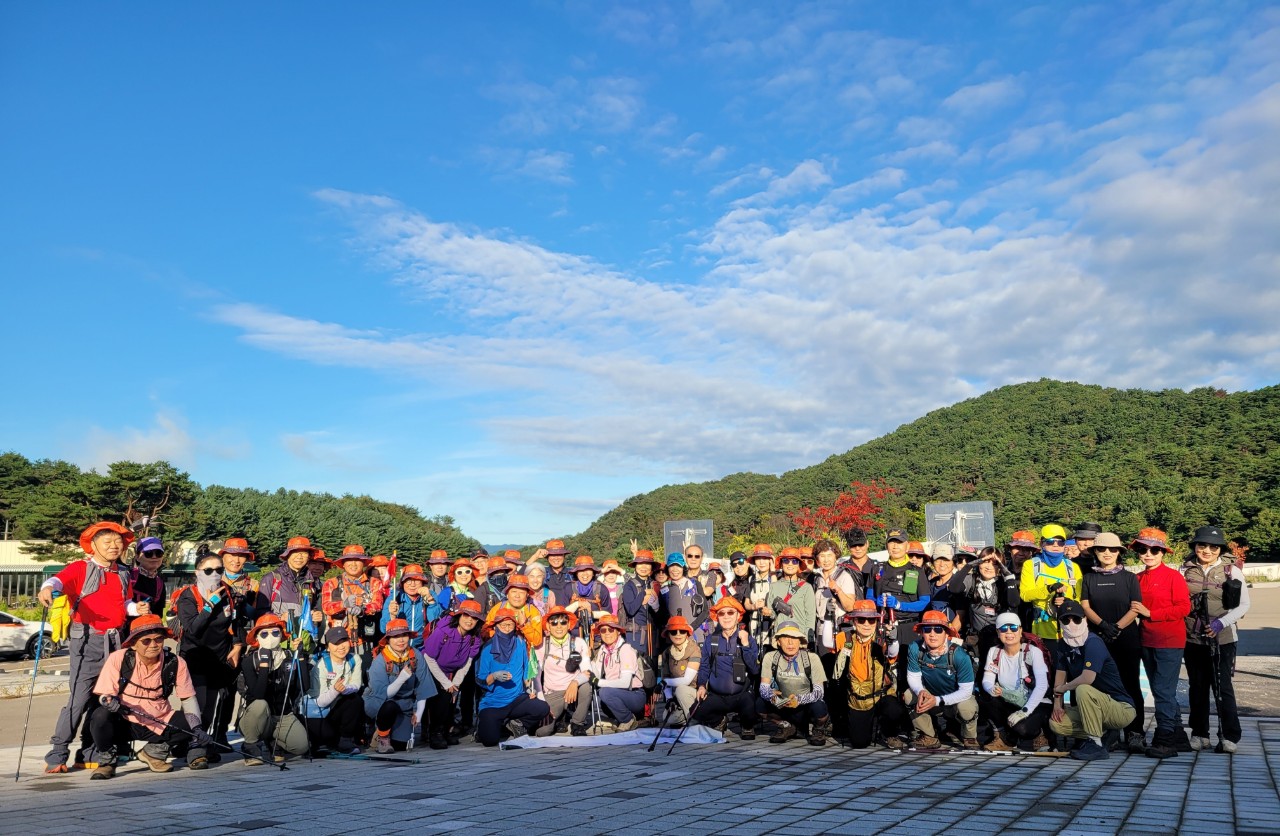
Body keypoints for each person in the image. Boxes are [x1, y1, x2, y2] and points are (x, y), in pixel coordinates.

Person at [39, 521, 144, 772]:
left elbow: (124, 602)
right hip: (87, 641)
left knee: (103, 700)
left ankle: (89, 752)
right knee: (78, 699)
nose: (114, 546)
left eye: (118, 542)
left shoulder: (123, 573)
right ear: (93, 545)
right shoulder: (80, 568)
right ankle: (57, 754)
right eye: (107, 542)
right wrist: (47, 588)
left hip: (115, 641)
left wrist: (135, 608)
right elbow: (56, 581)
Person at [87, 614, 204, 779]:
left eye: (159, 639)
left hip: (160, 719)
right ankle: (107, 762)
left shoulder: (176, 662)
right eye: (146, 641)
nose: (154, 645)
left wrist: (197, 730)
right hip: (125, 721)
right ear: (134, 644)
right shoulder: (118, 658)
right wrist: (109, 702)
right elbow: (104, 696)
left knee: (193, 721)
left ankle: (153, 753)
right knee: (100, 716)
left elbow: (188, 698)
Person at [1182, 525, 1250, 754]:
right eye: (1202, 545)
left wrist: (1221, 623)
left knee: (1222, 687)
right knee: (1197, 686)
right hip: (1192, 637)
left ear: (1220, 549)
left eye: (1213, 547)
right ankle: (1199, 734)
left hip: (1223, 638)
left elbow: (1244, 605)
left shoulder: (1231, 570)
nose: (1207, 550)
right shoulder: (1184, 569)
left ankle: (1229, 736)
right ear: (1195, 546)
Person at [175, 550, 243, 766]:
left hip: (219, 658)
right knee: (197, 704)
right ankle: (193, 748)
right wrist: (210, 604)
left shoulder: (228, 593)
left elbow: (236, 622)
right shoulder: (187, 596)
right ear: (197, 572)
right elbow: (193, 628)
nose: (214, 574)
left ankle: (200, 743)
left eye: (219, 570)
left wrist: (238, 646)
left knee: (210, 707)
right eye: (208, 570)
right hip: (195, 657)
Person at [1079, 532, 1145, 752]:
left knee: (1130, 684)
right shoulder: (1089, 578)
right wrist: (1103, 626)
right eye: (1102, 549)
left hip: (1126, 638)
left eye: (1112, 549)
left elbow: (1135, 607)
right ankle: (1110, 732)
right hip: (1098, 639)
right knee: (1101, 686)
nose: (1107, 553)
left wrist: (1116, 627)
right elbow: (1085, 606)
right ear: (1095, 552)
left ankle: (1135, 732)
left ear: (1119, 552)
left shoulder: (1129, 578)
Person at [1048, 600, 1136, 761]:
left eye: (1076, 619)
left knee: (1083, 689)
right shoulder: (1063, 644)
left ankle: (1095, 744)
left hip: (1121, 707)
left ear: (1085, 620)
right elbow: (1059, 677)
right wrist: (1057, 705)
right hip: (1094, 706)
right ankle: (1106, 734)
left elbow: (1088, 678)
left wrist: (1064, 688)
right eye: (1066, 620)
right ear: (1059, 623)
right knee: (1056, 723)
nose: (1071, 624)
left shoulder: (1093, 642)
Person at [1132, 527, 1191, 758]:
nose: (1148, 554)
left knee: (1163, 691)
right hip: (1146, 639)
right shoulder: (1137, 578)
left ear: (1163, 553)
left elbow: (1184, 608)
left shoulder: (1174, 577)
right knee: (1160, 690)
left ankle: (1165, 739)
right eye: (1143, 549)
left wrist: (1151, 613)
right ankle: (1179, 736)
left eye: (1154, 550)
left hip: (1169, 640)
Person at [836, 599, 909, 750]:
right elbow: (831, 651)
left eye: (871, 620)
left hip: (881, 694)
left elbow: (892, 653)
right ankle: (868, 725)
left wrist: (893, 640)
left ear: (876, 622)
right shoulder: (844, 638)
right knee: (859, 743)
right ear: (854, 621)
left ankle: (889, 733)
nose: (866, 624)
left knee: (894, 710)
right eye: (861, 619)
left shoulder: (882, 638)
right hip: (857, 697)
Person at [237, 613, 310, 764]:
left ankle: (274, 743)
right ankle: (250, 747)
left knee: (301, 745)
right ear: (257, 638)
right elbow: (258, 693)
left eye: (275, 632)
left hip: (282, 715)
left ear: (281, 635)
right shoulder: (250, 660)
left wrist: (301, 656)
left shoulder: (288, 657)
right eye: (264, 634)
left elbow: (304, 686)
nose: (270, 637)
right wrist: (264, 665)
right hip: (257, 716)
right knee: (260, 704)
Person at [904, 609, 979, 749]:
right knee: (909, 695)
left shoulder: (960, 655)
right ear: (922, 633)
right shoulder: (914, 648)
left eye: (938, 629)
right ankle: (928, 736)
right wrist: (921, 691)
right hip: (931, 698)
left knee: (967, 707)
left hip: (956, 701)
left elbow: (966, 691)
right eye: (927, 630)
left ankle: (969, 737)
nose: (932, 634)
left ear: (946, 633)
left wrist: (937, 700)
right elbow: (913, 677)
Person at [475, 608, 549, 746]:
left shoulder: (520, 643)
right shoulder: (487, 648)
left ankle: (516, 723)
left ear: (515, 626)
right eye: (502, 625)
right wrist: (494, 676)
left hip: (517, 699)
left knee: (542, 708)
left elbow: (526, 670)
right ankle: (489, 726)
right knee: (489, 741)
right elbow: (479, 679)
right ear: (496, 626)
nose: (507, 628)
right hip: (493, 703)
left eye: (510, 624)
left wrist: (529, 689)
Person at [980, 613, 1052, 752]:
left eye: (1013, 628)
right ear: (998, 632)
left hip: (1036, 703)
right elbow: (987, 679)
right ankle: (1004, 738)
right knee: (985, 700)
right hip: (1010, 699)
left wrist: (1025, 711)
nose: (1009, 632)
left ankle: (1041, 734)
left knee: (1022, 729)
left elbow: (1042, 686)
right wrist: (991, 688)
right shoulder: (994, 652)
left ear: (1020, 630)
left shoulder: (1033, 652)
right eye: (1003, 629)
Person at [364, 618, 437, 753]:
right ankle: (382, 736)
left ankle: (388, 732)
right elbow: (386, 694)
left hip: (404, 705)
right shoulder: (380, 660)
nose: (401, 640)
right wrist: (401, 678)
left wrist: (419, 713)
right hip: (380, 702)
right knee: (389, 707)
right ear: (388, 640)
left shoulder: (416, 655)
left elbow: (423, 686)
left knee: (400, 746)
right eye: (395, 637)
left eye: (404, 635)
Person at [693, 597, 760, 739]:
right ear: (717, 617)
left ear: (738, 616)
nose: (726, 616)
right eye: (721, 613)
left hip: (742, 694)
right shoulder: (711, 640)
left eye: (730, 612)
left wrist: (745, 645)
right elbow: (704, 666)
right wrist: (701, 686)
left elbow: (754, 670)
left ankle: (747, 725)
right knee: (696, 711)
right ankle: (719, 720)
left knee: (753, 709)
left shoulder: (748, 639)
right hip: (717, 695)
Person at [422, 599, 484, 748]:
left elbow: (467, 662)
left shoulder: (474, 638)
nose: (469, 620)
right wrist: (446, 683)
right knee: (441, 698)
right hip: (430, 668)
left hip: (453, 671)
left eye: (474, 618)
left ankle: (445, 730)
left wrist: (455, 684)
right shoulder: (443, 631)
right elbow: (429, 657)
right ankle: (435, 733)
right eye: (466, 615)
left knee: (452, 698)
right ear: (459, 615)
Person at [758, 620, 830, 745]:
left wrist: (799, 700)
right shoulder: (770, 657)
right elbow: (763, 688)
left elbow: (819, 692)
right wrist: (772, 697)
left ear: (800, 641)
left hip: (805, 705)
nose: (790, 643)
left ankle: (818, 729)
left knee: (820, 706)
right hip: (782, 703)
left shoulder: (812, 658)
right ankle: (785, 726)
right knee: (759, 704)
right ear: (778, 641)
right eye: (785, 638)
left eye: (794, 638)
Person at [1019, 524, 1083, 657]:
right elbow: (1025, 595)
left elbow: (1079, 597)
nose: (1055, 545)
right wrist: (1049, 589)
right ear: (1042, 544)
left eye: (1060, 542)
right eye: (1050, 541)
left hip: (1069, 630)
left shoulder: (1073, 567)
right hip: (1042, 630)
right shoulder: (1031, 565)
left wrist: (1068, 601)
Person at [870, 529, 934, 660]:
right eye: (891, 542)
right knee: (880, 665)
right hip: (882, 626)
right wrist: (876, 602)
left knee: (907, 666)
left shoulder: (917, 571)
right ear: (886, 545)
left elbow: (925, 602)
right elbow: (869, 597)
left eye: (899, 542)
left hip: (908, 628)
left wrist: (900, 605)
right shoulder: (877, 568)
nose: (895, 546)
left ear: (907, 546)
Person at [302, 627, 365, 755]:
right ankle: (321, 741)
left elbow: (356, 684)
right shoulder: (320, 666)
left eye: (344, 641)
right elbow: (320, 702)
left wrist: (344, 689)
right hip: (318, 712)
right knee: (328, 737)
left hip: (336, 706)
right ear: (328, 647)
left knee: (355, 700)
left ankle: (345, 740)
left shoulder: (355, 659)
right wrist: (335, 690)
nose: (341, 647)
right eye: (336, 643)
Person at [320, 545, 386, 667]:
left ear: (364, 563)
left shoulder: (374, 583)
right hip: (337, 641)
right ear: (343, 564)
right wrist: (343, 604)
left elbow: (377, 604)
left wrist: (362, 609)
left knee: (364, 672)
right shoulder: (331, 583)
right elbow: (326, 607)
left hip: (365, 640)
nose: (353, 564)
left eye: (358, 560)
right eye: (349, 560)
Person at [956, 547, 1019, 672]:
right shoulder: (972, 580)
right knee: (978, 672)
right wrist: (969, 566)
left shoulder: (1004, 583)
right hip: (975, 639)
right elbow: (954, 588)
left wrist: (1008, 576)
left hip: (999, 638)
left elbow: (1014, 603)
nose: (989, 567)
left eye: (995, 563)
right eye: (985, 561)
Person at [534, 605, 593, 736]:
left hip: (573, 691)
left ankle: (577, 723)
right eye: (554, 623)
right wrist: (542, 702)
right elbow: (536, 677)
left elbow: (588, 672)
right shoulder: (541, 645)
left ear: (569, 625)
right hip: (552, 693)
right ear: (548, 626)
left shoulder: (579, 642)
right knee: (542, 732)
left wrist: (575, 682)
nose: (559, 626)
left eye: (563, 622)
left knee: (586, 687)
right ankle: (561, 718)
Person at [257, 536, 325, 638]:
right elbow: (260, 612)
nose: (300, 556)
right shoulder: (271, 578)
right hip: (279, 637)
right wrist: (279, 618)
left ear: (308, 557)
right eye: (295, 552)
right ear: (288, 555)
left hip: (303, 637)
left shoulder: (310, 582)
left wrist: (314, 614)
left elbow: (312, 607)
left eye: (304, 553)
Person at [588, 613, 646, 731]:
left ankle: (628, 719)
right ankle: (619, 717)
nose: (607, 633)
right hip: (616, 693)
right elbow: (597, 674)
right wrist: (589, 659)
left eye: (611, 629)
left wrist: (599, 682)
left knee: (604, 693)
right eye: (603, 630)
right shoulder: (603, 650)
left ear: (618, 631)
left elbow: (625, 683)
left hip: (634, 694)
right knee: (590, 698)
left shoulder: (625, 649)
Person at [763, 549, 817, 645]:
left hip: (799, 636)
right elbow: (773, 614)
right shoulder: (774, 586)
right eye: (786, 561)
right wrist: (768, 613)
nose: (790, 564)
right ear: (781, 564)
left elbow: (810, 615)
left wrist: (808, 638)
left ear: (799, 565)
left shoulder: (806, 587)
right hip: (780, 636)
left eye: (795, 561)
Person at [657, 616, 701, 725]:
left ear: (687, 633)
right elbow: (665, 677)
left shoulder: (694, 649)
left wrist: (665, 682)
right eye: (673, 632)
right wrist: (669, 699)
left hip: (695, 693)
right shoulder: (667, 653)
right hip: (677, 695)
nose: (678, 634)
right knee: (667, 718)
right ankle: (688, 716)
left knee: (681, 690)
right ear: (668, 634)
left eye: (682, 631)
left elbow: (687, 680)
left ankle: (695, 722)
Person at [217, 538, 260, 647]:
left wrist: (245, 605)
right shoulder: (213, 581)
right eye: (231, 555)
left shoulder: (254, 585)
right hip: (216, 638)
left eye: (241, 556)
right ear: (223, 557)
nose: (236, 560)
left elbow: (257, 615)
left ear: (246, 559)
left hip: (244, 638)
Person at [381, 564, 431, 652]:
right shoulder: (394, 598)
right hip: (397, 649)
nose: (412, 584)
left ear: (423, 582)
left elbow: (435, 622)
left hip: (422, 648)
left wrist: (430, 600)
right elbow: (383, 629)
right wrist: (392, 616)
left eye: (417, 580)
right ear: (402, 583)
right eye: (408, 580)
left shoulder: (429, 595)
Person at [662, 552, 709, 644]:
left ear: (683, 568)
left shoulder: (695, 584)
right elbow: (661, 616)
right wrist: (655, 605)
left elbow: (705, 611)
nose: (675, 569)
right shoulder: (664, 589)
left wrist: (692, 627)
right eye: (671, 566)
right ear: (667, 569)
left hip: (695, 637)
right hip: (674, 638)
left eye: (678, 566)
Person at [484, 574, 543, 647]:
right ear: (507, 594)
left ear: (527, 595)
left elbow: (537, 641)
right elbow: (485, 633)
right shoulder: (498, 608)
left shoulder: (533, 612)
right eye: (514, 591)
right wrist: (500, 633)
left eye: (522, 592)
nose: (517, 596)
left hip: (524, 652)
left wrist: (525, 625)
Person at [620, 549, 660, 657]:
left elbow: (661, 615)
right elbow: (631, 610)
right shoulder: (629, 586)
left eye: (647, 564)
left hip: (653, 635)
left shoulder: (655, 585)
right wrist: (643, 593)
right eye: (640, 564)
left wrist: (656, 606)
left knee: (653, 666)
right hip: (635, 635)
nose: (643, 567)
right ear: (635, 566)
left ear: (651, 567)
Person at [127, 536, 167, 631]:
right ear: (137, 557)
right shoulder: (127, 576)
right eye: (148, 553)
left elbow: (158, 615)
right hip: (124, 632)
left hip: (146, 633)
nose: (154, 557)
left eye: (158, 553)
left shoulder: (160, 583)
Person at [564, 555, 609, 638]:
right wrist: (577, 604)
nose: (585, 574)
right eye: (581, 570)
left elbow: (607, 614)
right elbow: (562, 613)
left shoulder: (601, 589)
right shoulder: (568, 588)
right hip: (572, 635)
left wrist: (591, 614)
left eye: (588, 570)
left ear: (593, 573)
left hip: (596, 636)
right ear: (576, 573)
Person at [745, 545, 775, 647]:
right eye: (758, 559)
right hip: (755, 627)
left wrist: (773, 571)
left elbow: (776, 592)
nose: (762, 562)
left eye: (765, 558)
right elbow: (746, 603)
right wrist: (753, 606)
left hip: (771, 627)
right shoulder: (751, 579)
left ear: (771, 560)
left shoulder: (777, 577)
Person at [423, 550, 453, 621]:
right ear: (431, 566)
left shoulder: (453, 581)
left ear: (447, 566)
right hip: (430, 621)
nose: (440, 567)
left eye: (443, 564)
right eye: (436, 563)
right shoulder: (424, 582)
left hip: (449, 621)